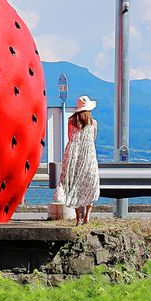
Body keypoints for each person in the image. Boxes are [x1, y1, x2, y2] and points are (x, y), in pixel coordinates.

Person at [54, 95, 101, 225]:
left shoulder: (71, 121)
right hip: (88, 155)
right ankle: (87, 216)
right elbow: (93, 138)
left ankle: (78, 218)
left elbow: (71, 137)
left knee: (75, 184)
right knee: (90, 184)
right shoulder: (93, 123)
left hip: (73, 155)